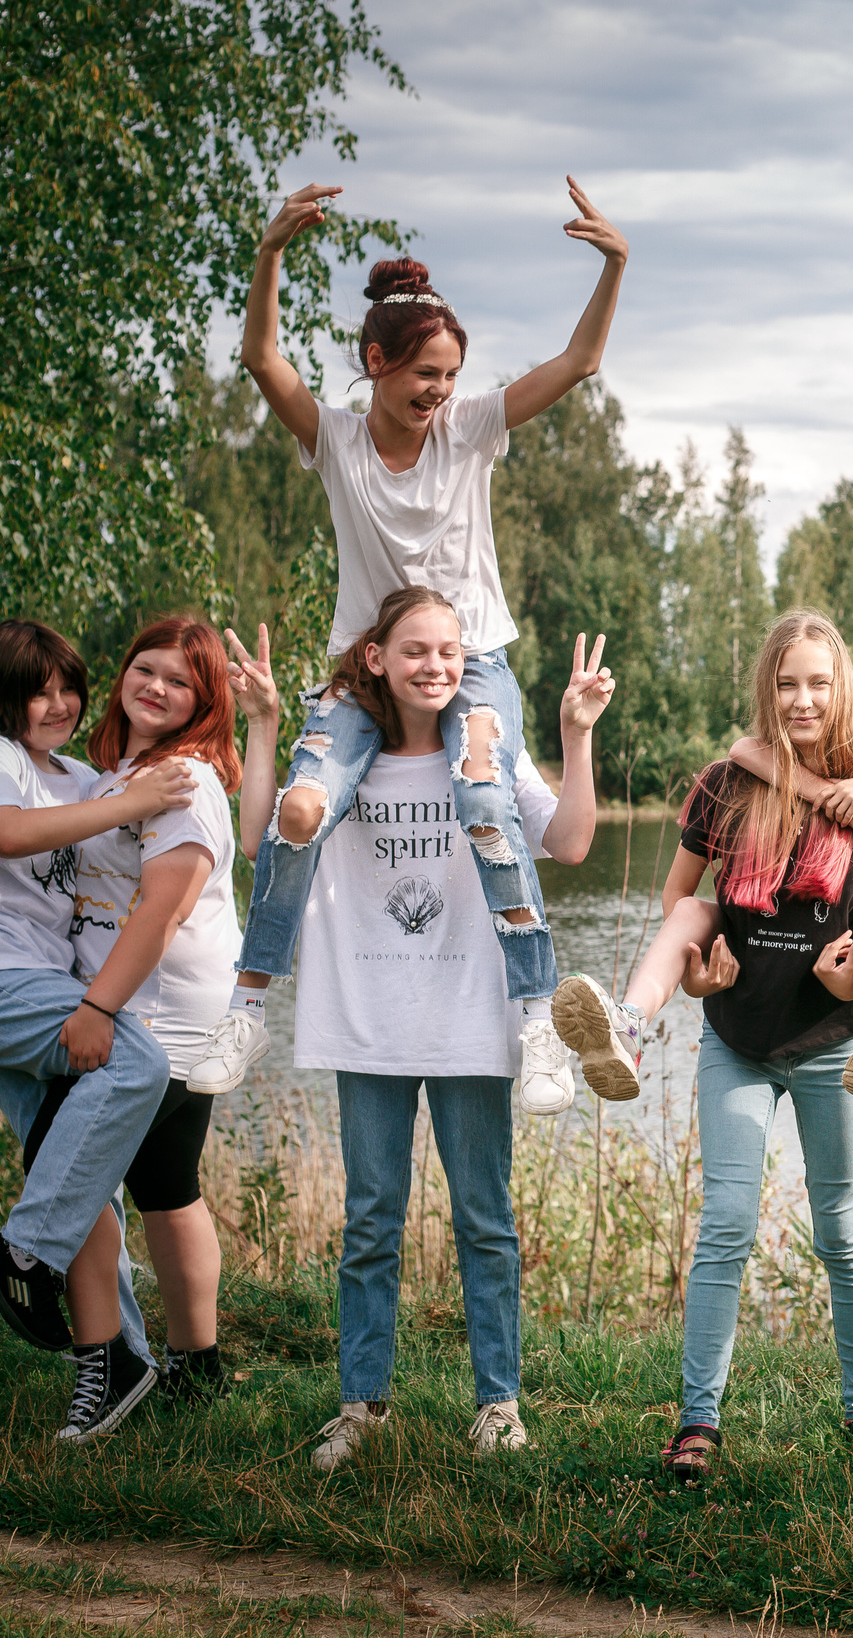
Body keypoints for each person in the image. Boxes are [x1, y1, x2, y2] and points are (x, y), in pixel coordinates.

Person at [202, 175, 629, 1110]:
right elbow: (263, 359)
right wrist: (270, 252)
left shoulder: (472, 429)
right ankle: (246, 1005)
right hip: (363, 670)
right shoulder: (338, 442)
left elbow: (579, 364)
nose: (439, 390)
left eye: (448, 374)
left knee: (482, 790)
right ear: (377, 363)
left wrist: (615, 265)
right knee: (305, 809)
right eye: (423, 374)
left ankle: (535, 1016)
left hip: (467, 662)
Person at [562, 613, 853, 1484]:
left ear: (841, 688)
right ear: (766, 688)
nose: (802, 699)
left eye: (818, 683)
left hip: (833, 1042)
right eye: (786, 682)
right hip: (736, 1033)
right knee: (725, 1224)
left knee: (843, 1229)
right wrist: (695, 976)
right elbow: (678, 896)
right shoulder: (726, 786)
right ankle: (697, 1419)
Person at [291, 589, 612, 1471]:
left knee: (485, 1219)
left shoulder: (487, 755)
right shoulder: (345, 773)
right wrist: (259, 729)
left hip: (474, 1021)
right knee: (370, 1220)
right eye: (416, 650)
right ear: (376, 659)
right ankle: (362, 1405)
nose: (436, 665)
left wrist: (575, 733)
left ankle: (498, 1403)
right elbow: (264, 839)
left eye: (450, 650)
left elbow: (575, 842)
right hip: (371, 1024)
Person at [16, 615, 277, 1440]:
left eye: (181, 680)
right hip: (168, 1011)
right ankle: (197, 1368)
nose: (158, 686)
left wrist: (95, 1008)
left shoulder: (183, 778)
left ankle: (109, 1365)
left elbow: (162, 909)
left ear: (204, 702)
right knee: (168, 1187)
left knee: (65, 1163)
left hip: (154, 1016)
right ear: (123, 673)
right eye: (146, 668)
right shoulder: (122, 772)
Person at [0, 621, 192, 1389]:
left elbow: (139, 821)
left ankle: (118, 1364)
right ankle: (22, 1252)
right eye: (35, 690)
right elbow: (7, 835)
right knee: (132, 1057)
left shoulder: (75, 774)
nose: (58, 703)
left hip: (25, 986)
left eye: (68, 686)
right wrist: (127, 801)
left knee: (77, 1164)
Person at [551, 670, 853, 1103]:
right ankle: (628, 1024)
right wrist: (697, 972)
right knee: (689, 911)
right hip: (738, 1028)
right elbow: (742, 749)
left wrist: (852, 985)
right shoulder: (746, 777)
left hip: (830, 1030)